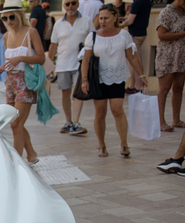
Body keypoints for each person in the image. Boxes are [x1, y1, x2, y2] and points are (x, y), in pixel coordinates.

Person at [81, 3, 147, 157]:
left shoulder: (124, 35)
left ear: (115, 17)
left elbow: (132, 57)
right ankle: (101, 145)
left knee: (117, 110)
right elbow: (86, 60)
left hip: (117, 77)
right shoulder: (93, 36)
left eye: (106, 18)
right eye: (101, 18)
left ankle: (124, 143)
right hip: (98, 79)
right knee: (100, 112)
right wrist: (85, 80)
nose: (103, 21)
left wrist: (142, 76)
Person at [0, 0, 45, 165]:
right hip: (10, 81)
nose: (9, 21)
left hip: (25, 81)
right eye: (4, 19)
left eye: (11, 17)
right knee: (15, 123)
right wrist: (2, 68)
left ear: (20, 15)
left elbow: (41, 58)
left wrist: (21, 57)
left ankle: (17, 161)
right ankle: (32, 154)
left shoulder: (31, 32)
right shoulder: (6, 36)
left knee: (15, 123)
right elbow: (12, 62)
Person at [48, 0, 95, 134]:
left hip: (81, 64)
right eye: (67, 4)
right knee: (65, 94)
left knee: (78, 93)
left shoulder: (87, 21)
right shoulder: (58, 24)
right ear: (64, 6)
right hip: (63, 64)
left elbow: (94, 40)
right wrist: (48, 66)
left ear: (78, 4)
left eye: (73, 3)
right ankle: (68, 121)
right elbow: (53, 45)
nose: (70, 7)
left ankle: (76, 122)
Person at [155, 0, 185, 132]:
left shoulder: (183, 11)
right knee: (164, 89)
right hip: (168, 56)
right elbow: (161, 35)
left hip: (181, 57)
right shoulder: (166, 12)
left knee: (178, 89)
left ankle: (176, 119)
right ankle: (160, 121)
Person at [120, 0, 151, 94]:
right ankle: (131, 85)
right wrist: (126, 19)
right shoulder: (147, 2)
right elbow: (138, 18)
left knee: (136, 60)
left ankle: (138, 87)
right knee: (134, 60)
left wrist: (120, 25)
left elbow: (130, 21)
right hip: (142, 33)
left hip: (135, 34)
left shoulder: (137, 2)